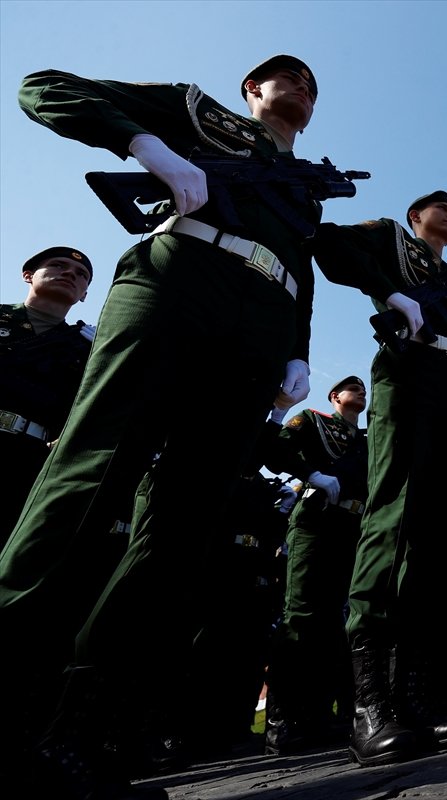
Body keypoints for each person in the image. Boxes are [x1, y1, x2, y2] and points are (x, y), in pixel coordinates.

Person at [0, 55, 335, 799]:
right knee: (93, 478)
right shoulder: (197, 111)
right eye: (287, 76)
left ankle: (83, 737)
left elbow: (300, 270)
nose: (302, 88)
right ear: (252, 90)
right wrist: (140, 145)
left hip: (258, 333)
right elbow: (45, 88)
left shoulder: (306, 186)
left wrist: (298, 352)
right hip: (178, 278)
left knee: (181, 529)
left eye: (314, 84)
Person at [311, 193, 447, 763]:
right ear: (416, 217)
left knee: (437, 537)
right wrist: (390, 292)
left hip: (446, 389)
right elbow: (330, 244)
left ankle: (420, 693)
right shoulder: (391, 237)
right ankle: (371, 701)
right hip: (403, 375)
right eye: (441, 207)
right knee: (391, 516)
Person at [262, 376, 368, 756]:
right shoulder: (311, 420)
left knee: (334, 622)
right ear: (334, 396)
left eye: (363, 389)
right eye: (350, 387)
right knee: (301, 615)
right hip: (315, 522)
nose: (360, 391)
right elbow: (272, 451)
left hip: (352, 528)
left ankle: (320, 716)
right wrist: (312, 474)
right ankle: (281, 722)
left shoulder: (367, 441)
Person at [1, 246, 94, 545]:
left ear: (84, 295)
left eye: (81, 275)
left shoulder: (89, 350)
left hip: (27, 466)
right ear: (28, 275)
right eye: (57, 265)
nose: (70, 273)